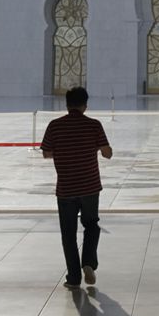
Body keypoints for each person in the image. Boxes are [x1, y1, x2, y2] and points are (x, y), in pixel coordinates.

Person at [41, 86, 112, 290]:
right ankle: (88, 263)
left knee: (68, 234)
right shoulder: (93, 125)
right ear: (85, 105)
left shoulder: (55, 126)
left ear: (67, 104)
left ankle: (73, 277)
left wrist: (65, 151)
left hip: (66, 188)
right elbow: (107, 153)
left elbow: (46, 153)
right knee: (91, 225)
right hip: (89, 186)